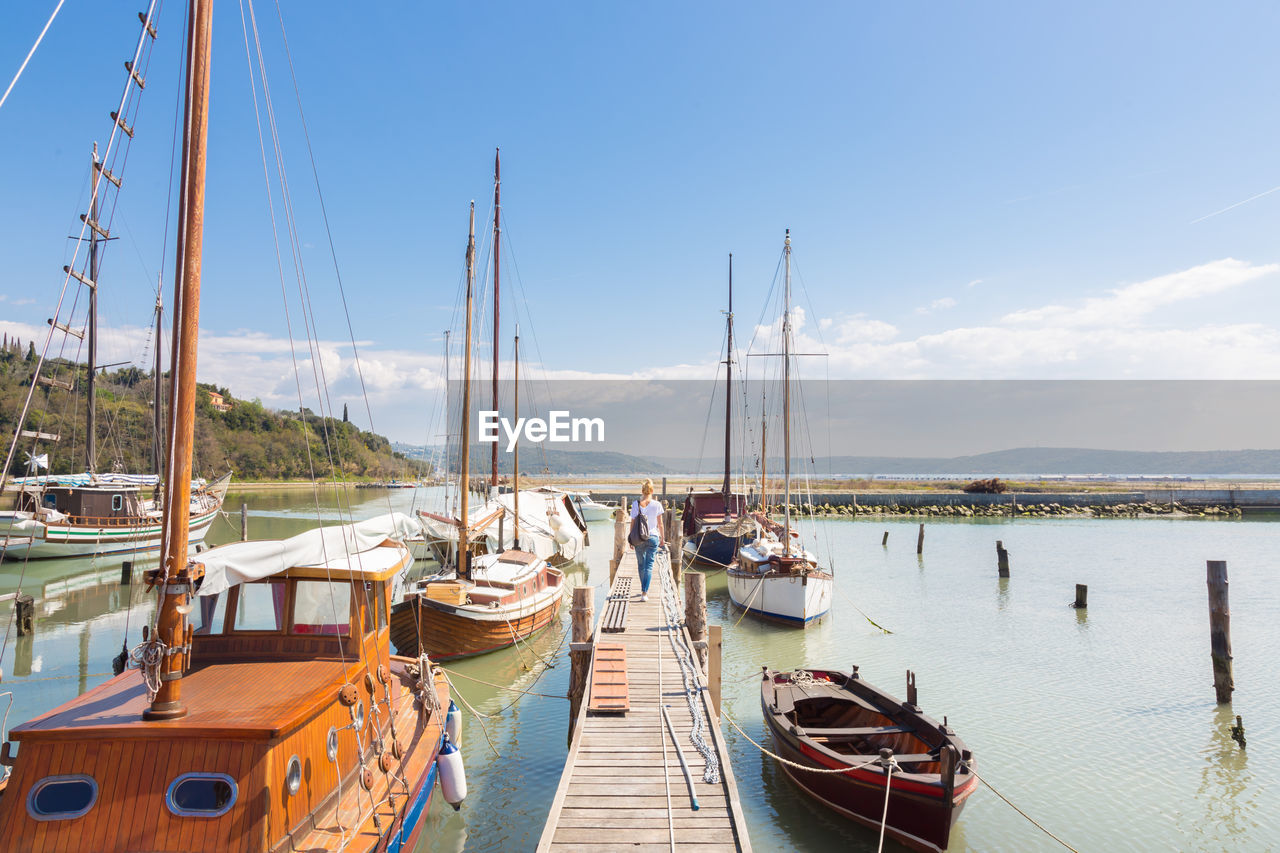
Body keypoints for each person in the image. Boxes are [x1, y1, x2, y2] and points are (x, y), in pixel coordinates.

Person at [631, 478, 665, 602]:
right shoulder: (657, 504)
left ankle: (643, 589)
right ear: (652, 490)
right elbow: (660, 524)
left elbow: (633, 522)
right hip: (653, 537)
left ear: (642, 490)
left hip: (639, 538)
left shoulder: (636, 504)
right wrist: (662, 538)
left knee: (641, 565)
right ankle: (644, 592)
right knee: (649, 566)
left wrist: (631, 539)